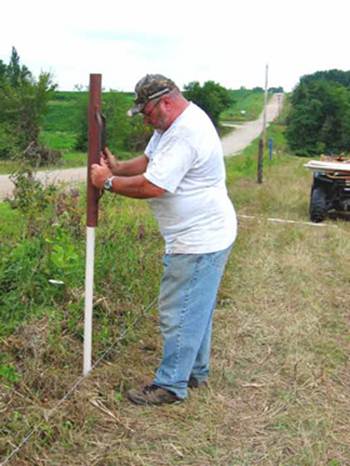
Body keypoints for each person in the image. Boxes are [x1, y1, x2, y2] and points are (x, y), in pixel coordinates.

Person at [91, 74, 237, 405]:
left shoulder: (186, 133)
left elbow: (154, 186)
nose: (145, 119)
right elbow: (148, 162)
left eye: (147, 112)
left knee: (178, 310)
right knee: (196, 307)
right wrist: (119, 167)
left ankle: (171, 384)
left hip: (200, 239)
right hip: (203, 234)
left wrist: (108, 181)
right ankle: (195, 372)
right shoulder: (170, 126)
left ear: (166, 102)